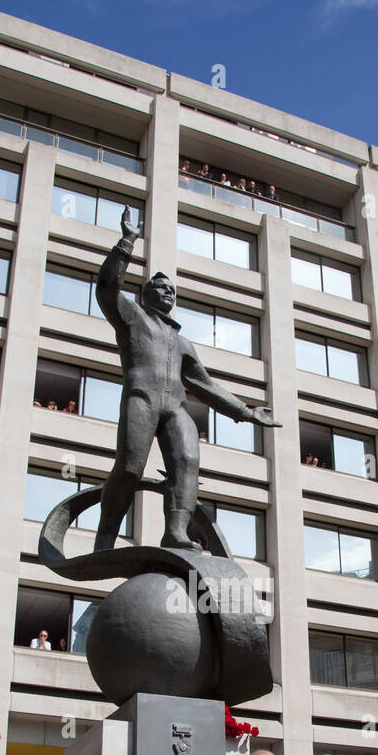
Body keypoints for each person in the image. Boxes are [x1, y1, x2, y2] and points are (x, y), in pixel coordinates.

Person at [92, 209, 278, 551]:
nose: (168, 294)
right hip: (142, 399)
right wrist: (126, 242)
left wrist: (246, 412)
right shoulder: (132, 317)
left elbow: (204, 384)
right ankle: (106, 535)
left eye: (172, 291)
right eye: (160, 288)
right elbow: (106, 287)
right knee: (131, 468)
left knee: (187, 462)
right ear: (146, 294)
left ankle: (175, 532)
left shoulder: (182, 342)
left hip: (175, 408)